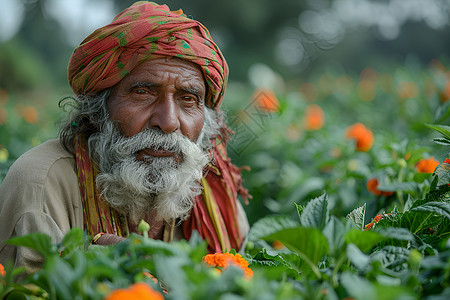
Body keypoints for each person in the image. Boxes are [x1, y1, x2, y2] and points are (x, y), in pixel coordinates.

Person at [0, 1, 250, 275]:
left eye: (188, 99)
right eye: (143, 93)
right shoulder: (41, 185)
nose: (167, 122)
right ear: (98, 110)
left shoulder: (220, 203)